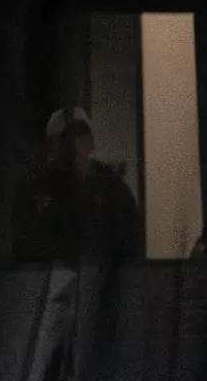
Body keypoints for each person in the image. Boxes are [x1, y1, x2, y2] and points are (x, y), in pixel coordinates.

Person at [12, 107, 144, 264]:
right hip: (51, 282)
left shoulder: (114, 190)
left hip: (104, 282)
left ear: (91, 141)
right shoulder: (34, 193)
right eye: (66, 138)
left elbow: (131, 245)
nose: (75, 144)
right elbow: (26, 248)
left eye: (81, 135)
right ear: (52, 144)